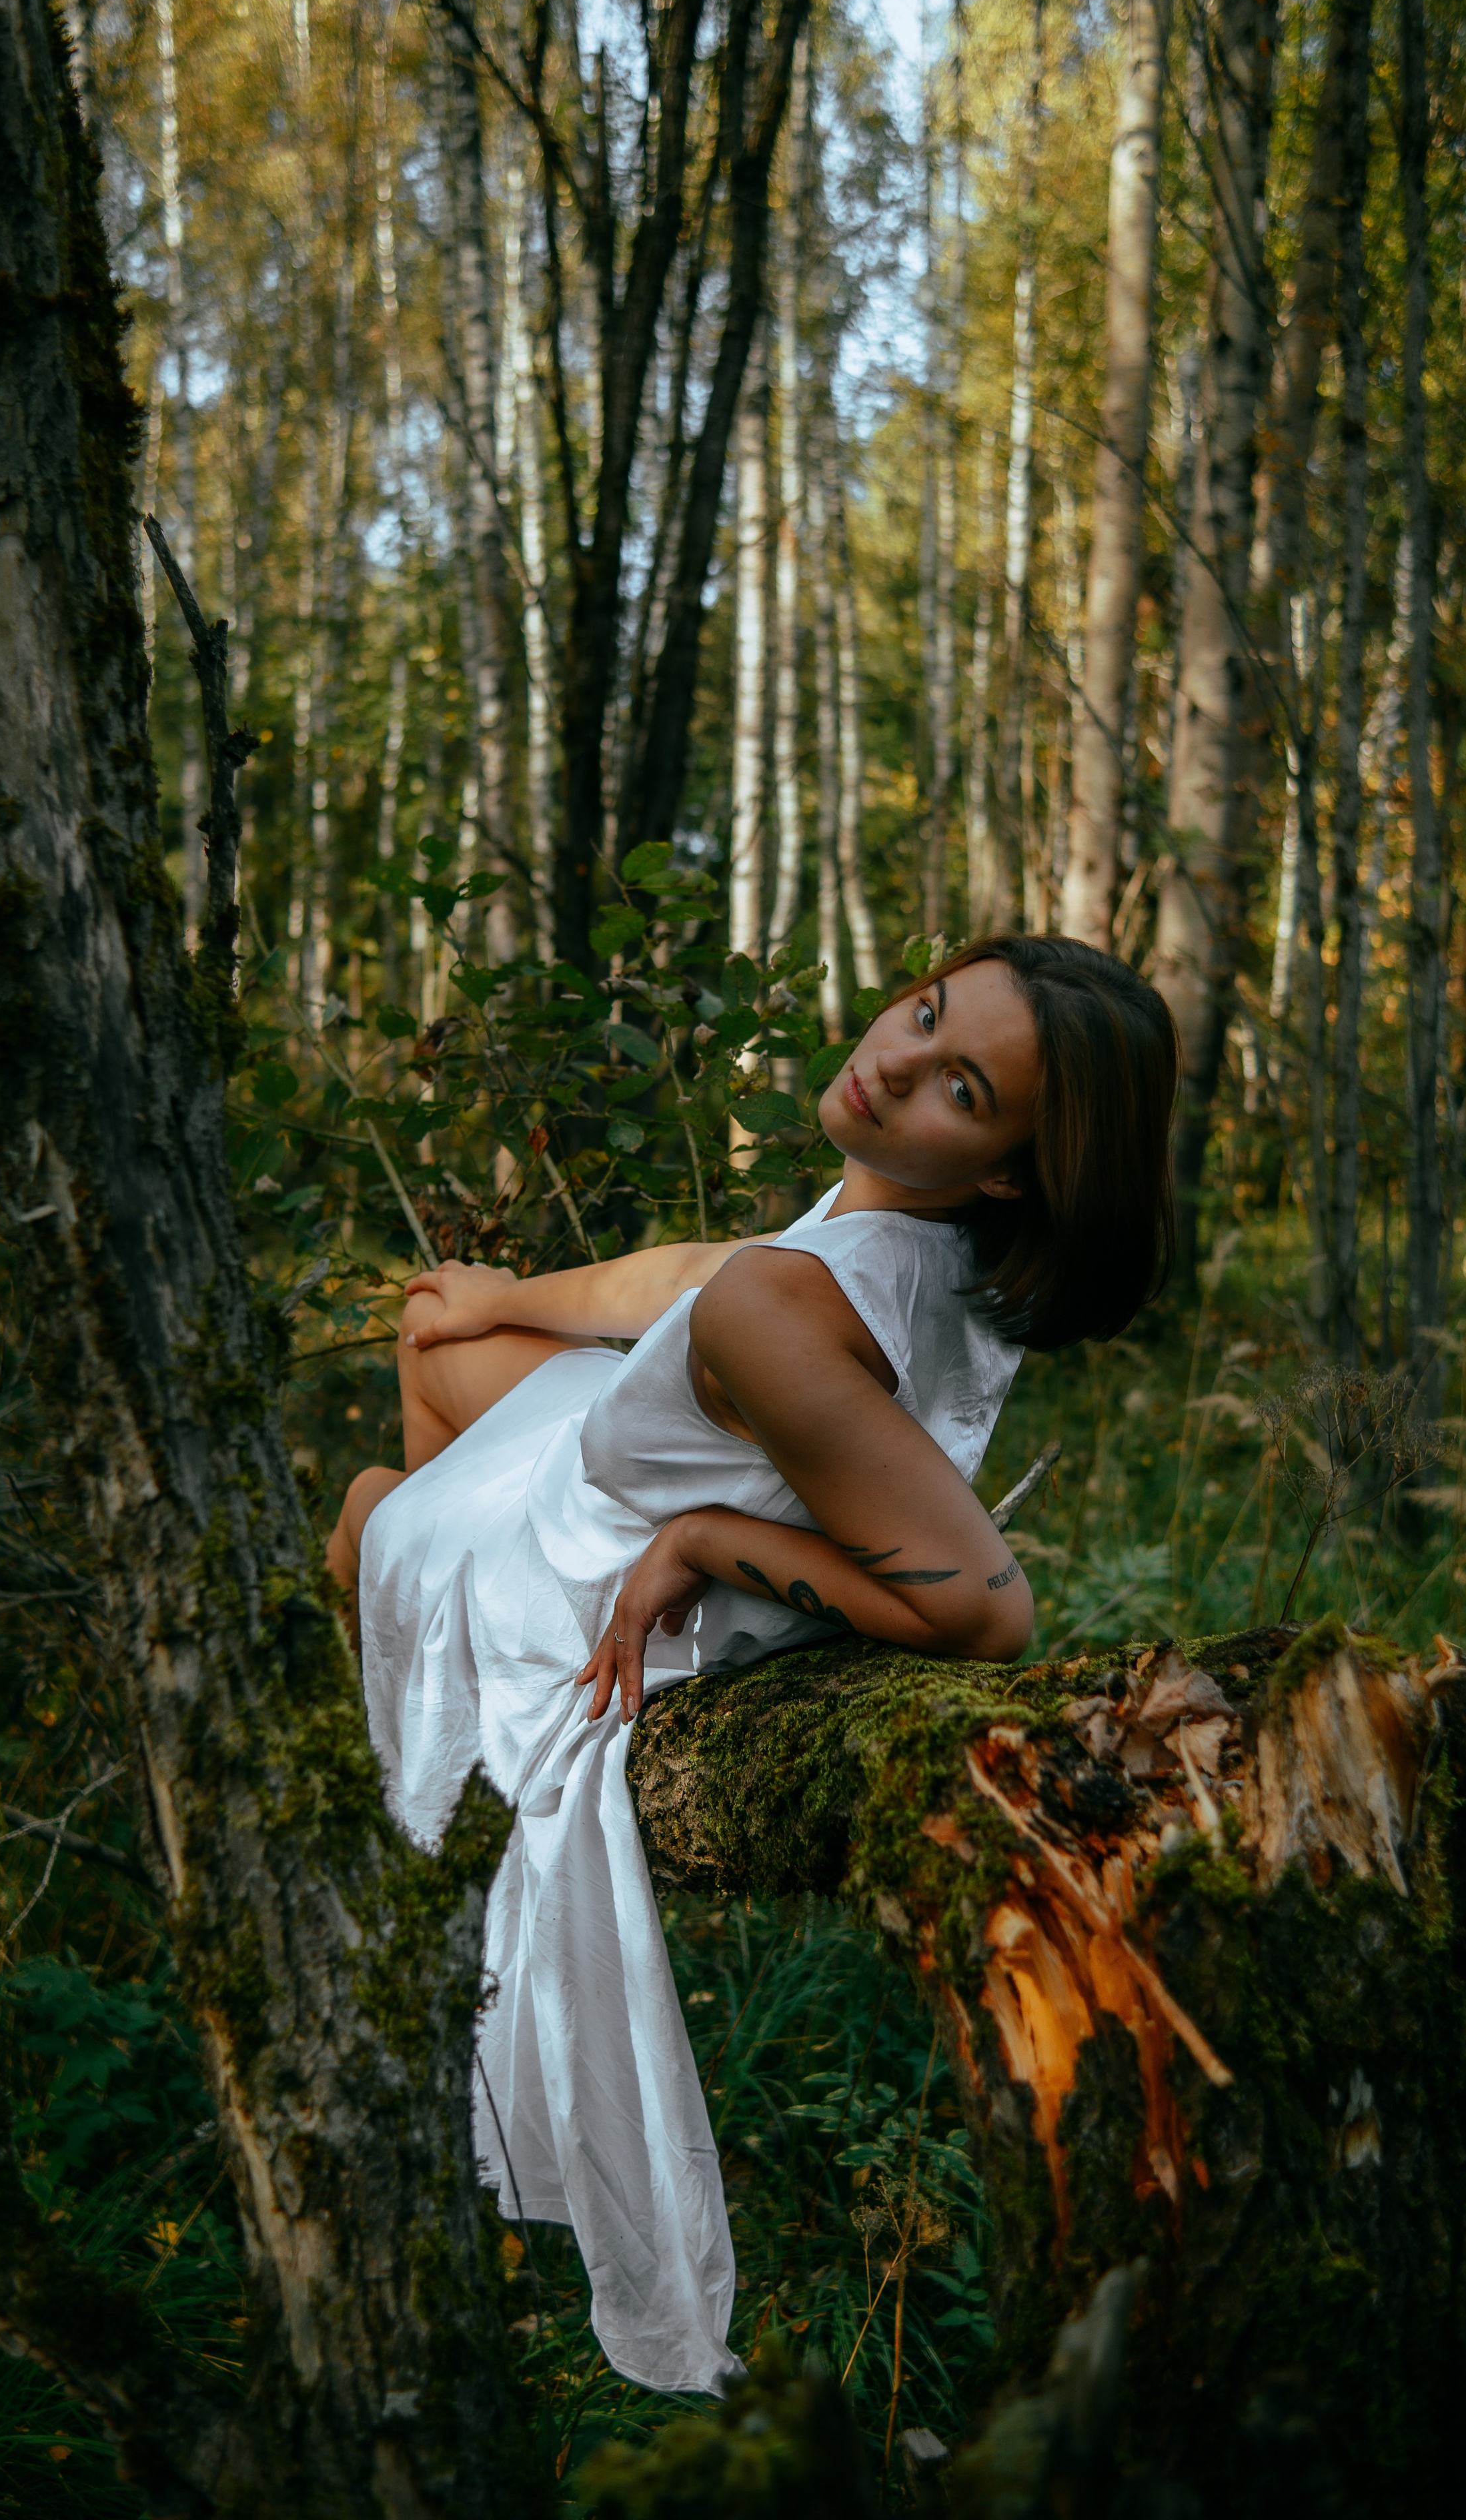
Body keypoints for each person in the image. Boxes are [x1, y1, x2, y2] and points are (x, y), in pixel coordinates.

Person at [327, 933, 1177, 2395]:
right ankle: (445, 1651)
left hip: (605, 1566)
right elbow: (696, 1278)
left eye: (956, 1085)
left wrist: (713, 1536)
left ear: (1001, 1172)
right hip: (617, 1457)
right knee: (436, 1327)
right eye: (923, 1015)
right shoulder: (901, 1231)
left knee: (365, 1522)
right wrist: (512, 1293)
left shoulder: (780, 1314)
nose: (895, 1059)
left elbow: (983, 1611)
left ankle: (440, 1764)